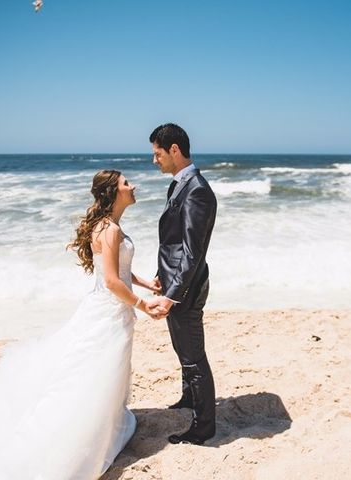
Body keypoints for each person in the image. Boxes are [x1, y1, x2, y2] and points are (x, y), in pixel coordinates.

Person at [0, 170, 163, 479]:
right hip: (108, 309)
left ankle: (107, 419)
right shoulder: (110, 230)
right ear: (113, 192)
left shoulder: (109, 227)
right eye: (125, 184)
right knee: (91, 369)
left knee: (99, 368)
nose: (133, 187)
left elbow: (119, 269)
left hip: (107, 309)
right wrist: (143, 305)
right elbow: (110, 281)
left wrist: (146, 284)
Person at [146, 123, 218, 445]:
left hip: (186, 288)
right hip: (175, 282)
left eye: (157, 154)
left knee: (193, 356)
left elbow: (192, 253)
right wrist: (161, 273)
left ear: (175, 150)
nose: (155, 160)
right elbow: (173, 243)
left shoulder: (197, 190)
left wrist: (172, 296)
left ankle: (204, 427)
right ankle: (189, 398)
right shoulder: (179, 184)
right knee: (181, 349)